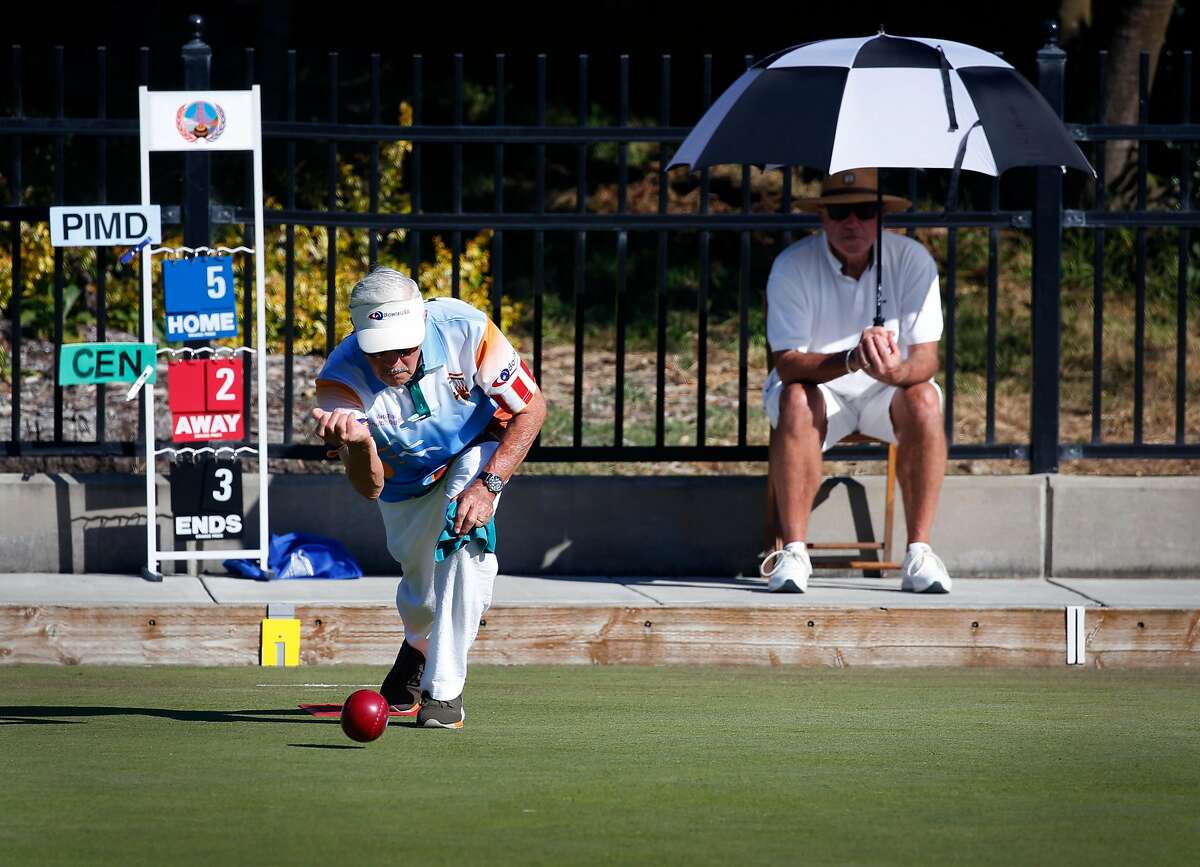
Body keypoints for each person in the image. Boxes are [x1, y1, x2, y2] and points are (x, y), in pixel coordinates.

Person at [312, 267, 546, 729]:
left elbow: (531, 407)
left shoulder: (468, 329)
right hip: (403, 485)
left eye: (405, 345)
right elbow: (370, 487)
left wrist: (488, 484)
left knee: (466, 545)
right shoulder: (339, 383)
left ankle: (443, 692)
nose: (395, 361)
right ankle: (417, 650)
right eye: (380, 350)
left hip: (474, 451)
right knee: (420, 600)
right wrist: (359, 446)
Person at [760, 167, 952, 595]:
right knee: (794, 398)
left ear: (881, 216)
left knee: (924, 400)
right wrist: (851, 359)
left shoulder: (911, 260)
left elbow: (926, 360)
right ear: (822, 217)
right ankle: (793, 551)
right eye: (840, 211)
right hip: (820, 392)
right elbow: (788, 363)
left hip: (886, 393)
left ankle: (919, 551)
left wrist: (892, 372)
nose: (852, 223)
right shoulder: (792, 265)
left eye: (864, 211)